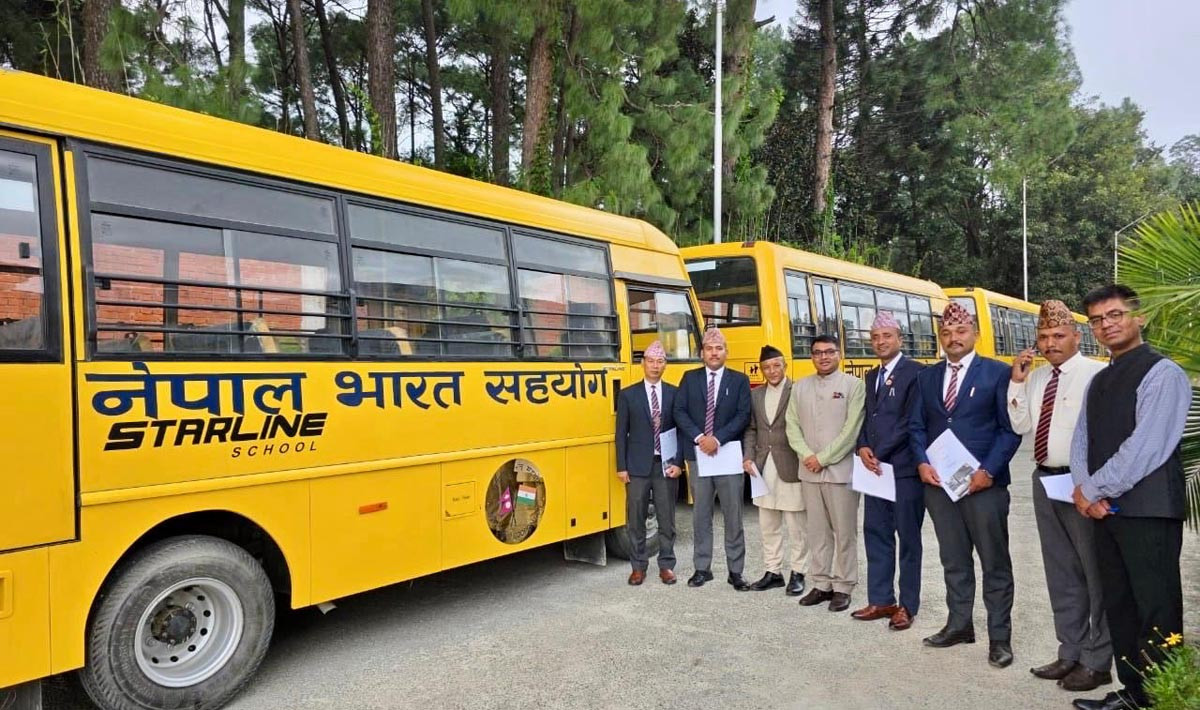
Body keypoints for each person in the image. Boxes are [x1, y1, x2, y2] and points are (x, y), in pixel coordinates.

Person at [1069, 285, 1191, 710]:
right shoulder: (1100, 379)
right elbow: (1081, 441)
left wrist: (1093, 489)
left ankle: (1162, 697)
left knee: (1156, 607)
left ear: (1139, 318)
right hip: (1105, 512)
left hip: (1149, 511)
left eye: (1115, 314)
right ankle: (1134, 693)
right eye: (1097, 320)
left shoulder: (1163, 373)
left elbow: (1147, 448)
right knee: (1119, 604)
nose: (1106, 324)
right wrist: (1084, 491)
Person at [910, 301, 1021, 668]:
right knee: (953, 559)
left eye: (960, 331)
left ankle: (999, 638)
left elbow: (1010, 430)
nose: (953, 338)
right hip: (940, 487)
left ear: (975, 333)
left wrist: (988, 471)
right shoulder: (927, 377)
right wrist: (921, 462)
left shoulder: (998, 373)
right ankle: (959, 625)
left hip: (983, 486)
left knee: (994, 562)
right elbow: (916, 426)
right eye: (946, 333)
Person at [1008, 300, 1111, 692]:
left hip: (1083, 483)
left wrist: (1095, 487)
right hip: (1045, 481)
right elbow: (1020, 425)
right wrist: (1017, 382)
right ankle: (1070, 650)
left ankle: (1097, 660)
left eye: (1058, 335)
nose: (1050, 343)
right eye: (1044, 337)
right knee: (1061, 571)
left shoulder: (1096, 375)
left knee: (1095, 573)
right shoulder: (1036, 378)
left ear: (1076, 337)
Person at [853, 311, 926, 631]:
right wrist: (862, 446)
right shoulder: (872, 376)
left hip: (904, 471)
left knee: (908, 539)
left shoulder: (916, 373)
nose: (880, 342)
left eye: (886, 336)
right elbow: (867, 417)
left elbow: (911, 422)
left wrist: (879, 453)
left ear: (900, 338)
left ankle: (907, 606)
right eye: (875, 337)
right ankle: (882, 599)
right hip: (874, 471)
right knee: (876, 534)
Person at [786, 334, 865, 612]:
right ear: (811, 356)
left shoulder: (853, 386)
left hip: (840, 472)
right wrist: (807, 455)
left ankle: (844, 585)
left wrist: (823, 458)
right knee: (817, 531)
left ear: (839, 354)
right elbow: (791, 425)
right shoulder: (800, 387)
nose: (824, 357)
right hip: (809, 471)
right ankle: (821, 583)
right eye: (818, 352)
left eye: (829, 352)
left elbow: (851, 430)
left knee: (844, 532)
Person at [674, 327, 753, 590]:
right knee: (701, 515)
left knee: (733, 515)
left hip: (727, 455)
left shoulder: (739, 380)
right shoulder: (689, 378)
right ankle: (702, 568)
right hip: (699, 457)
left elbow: (743, 415)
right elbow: (679, 411)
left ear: (726, 352)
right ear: (702, 353)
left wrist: (717, 439)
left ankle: (736, 571)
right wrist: (700, 438)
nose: (714, 353)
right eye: (709, 348)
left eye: (719, 348)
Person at [615, 341, 683, 586]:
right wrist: (621, 467)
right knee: (636, 520)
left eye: (660, 362)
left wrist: (679, 463)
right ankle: (638, 567)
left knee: (667, 519)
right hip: (637, 467)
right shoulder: (628, 394)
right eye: (651, 361)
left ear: (665, 365)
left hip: (666, 466)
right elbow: (621, 433)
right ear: (643, 364)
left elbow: (682, 431)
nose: (655, 366)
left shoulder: (675, 393)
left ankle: (666, 565)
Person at [742, 345, 808, 596]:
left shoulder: (798, 391)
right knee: (768, 524)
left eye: (776, 366)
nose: (772, 371)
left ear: (785, 366)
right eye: (767, 367)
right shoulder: (756, 395)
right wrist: (748, 457)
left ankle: (798, 572)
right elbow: (752, 429)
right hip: (763, 468)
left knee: (796, 525)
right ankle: (773, 572)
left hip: (791, 465)